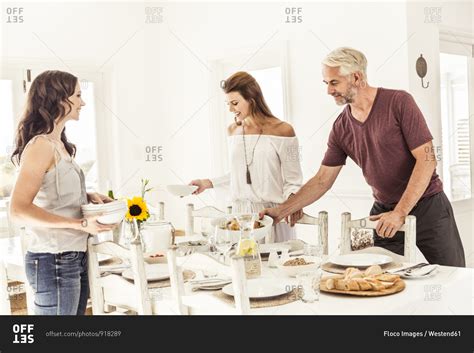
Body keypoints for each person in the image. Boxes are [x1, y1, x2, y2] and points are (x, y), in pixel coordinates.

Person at [260, 47, 465, 266]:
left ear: (357, 77)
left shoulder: (399, 102)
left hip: (428, 206)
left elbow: (427, 160)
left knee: (455, 275)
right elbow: (322, 180)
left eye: (334, 82)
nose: (329, 90)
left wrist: (400, 212)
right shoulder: (341, 127)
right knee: (380, 279)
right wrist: (281, 210)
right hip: (384, 212)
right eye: (326, 83)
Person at [10, 70, 117, 315]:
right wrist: (81, 224)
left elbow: (51, 193)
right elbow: (18, 209)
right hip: (53, 259)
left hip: (73, 256)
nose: (83, 102)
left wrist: (87, 196)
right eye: (78, 95)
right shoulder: (41, 146)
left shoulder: (59, 145)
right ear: (60, 99)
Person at [190, 71, 303, 242]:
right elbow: (238, 175)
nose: (230, 109)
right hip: (240, 217)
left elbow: (293, 179)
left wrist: (292, 204)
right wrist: (207, 183)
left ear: (252, 99)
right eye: (228, 104)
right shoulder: (232, 131)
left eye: (235, 103)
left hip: (272, 216)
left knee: (273, 266)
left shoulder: (284, 130)